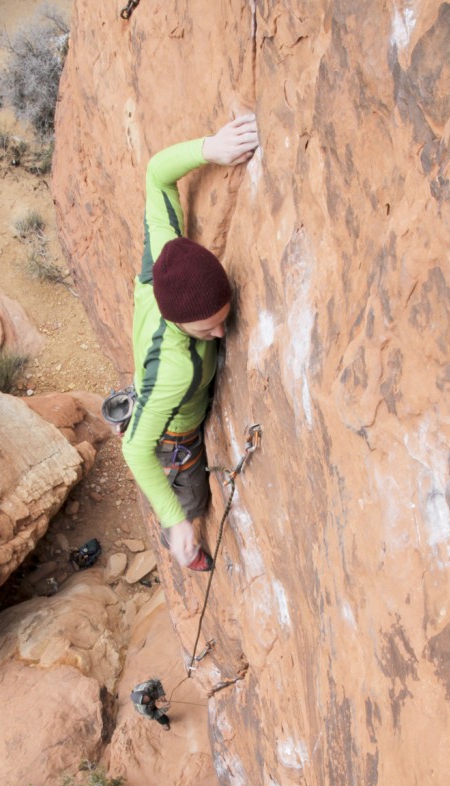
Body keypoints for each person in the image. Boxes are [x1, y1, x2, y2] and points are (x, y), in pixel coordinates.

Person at [121, 113, 259, 571]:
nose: (221, 334)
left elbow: (157, 176)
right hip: (174, 435)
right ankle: (184, 546)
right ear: (179, 324)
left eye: (224, 319)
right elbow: (135, 450)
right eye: (207, 331)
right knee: (191, 492)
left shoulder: (163, 258)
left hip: (156, 389)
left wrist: (211, 149)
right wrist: (177, 520)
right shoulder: (176, 368)